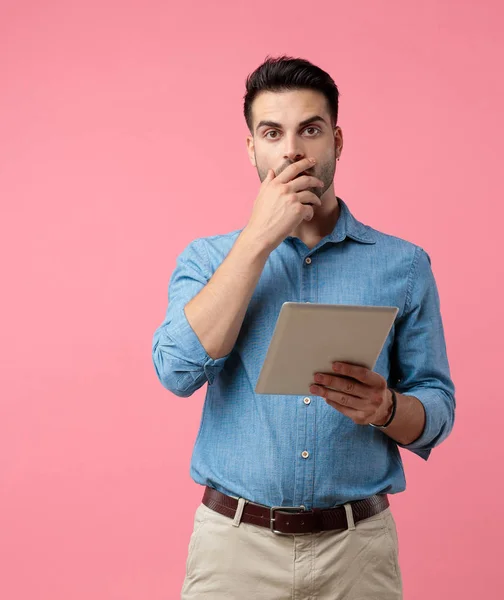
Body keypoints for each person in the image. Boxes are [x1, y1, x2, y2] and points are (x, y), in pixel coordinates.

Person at [152, 55, 456, 600]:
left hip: (358, 550)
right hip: (234, 551)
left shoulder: (404, 265)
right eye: (272, 132)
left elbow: (437, 409)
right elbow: (176, 370)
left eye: (310, 130)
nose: (291, 149)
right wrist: (256, 241)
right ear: (251, 147)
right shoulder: (207, 259)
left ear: (337, 142)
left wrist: (386, 409)